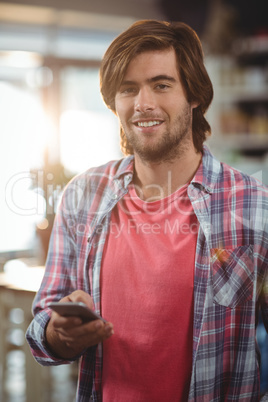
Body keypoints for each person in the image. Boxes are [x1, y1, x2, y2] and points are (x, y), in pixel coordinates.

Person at [26, 20, 268, 401]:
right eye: (128, 89)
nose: (143, 104)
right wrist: (59, 335)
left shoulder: (254, 203)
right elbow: (43, 327)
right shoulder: (82, 196)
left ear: (193, 95)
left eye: (161, 84)